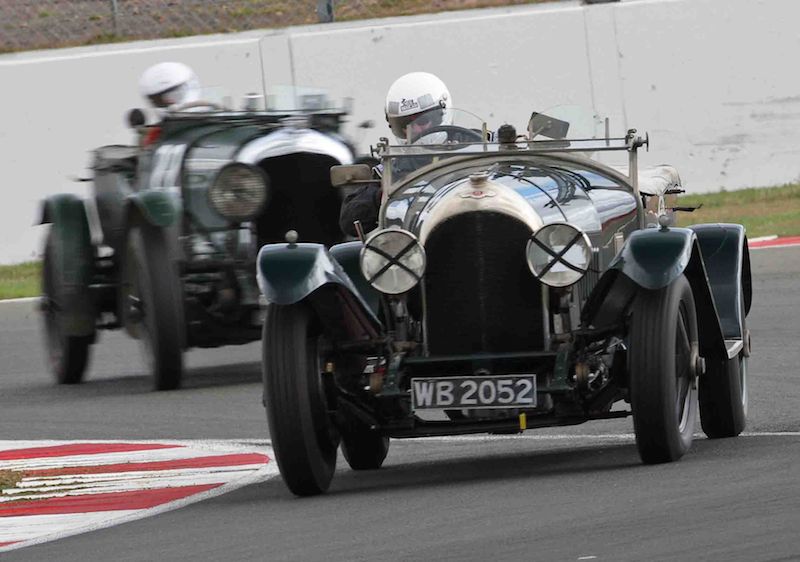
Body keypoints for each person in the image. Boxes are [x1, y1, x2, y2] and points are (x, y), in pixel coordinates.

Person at [339, 71, 452, 237]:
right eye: (404, 124)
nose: (414, 130)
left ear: (440, 115)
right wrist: (383, 194)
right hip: (413, 245)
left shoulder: (476, 146)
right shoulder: (395, 167)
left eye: (422, 121)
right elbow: (349, 221)